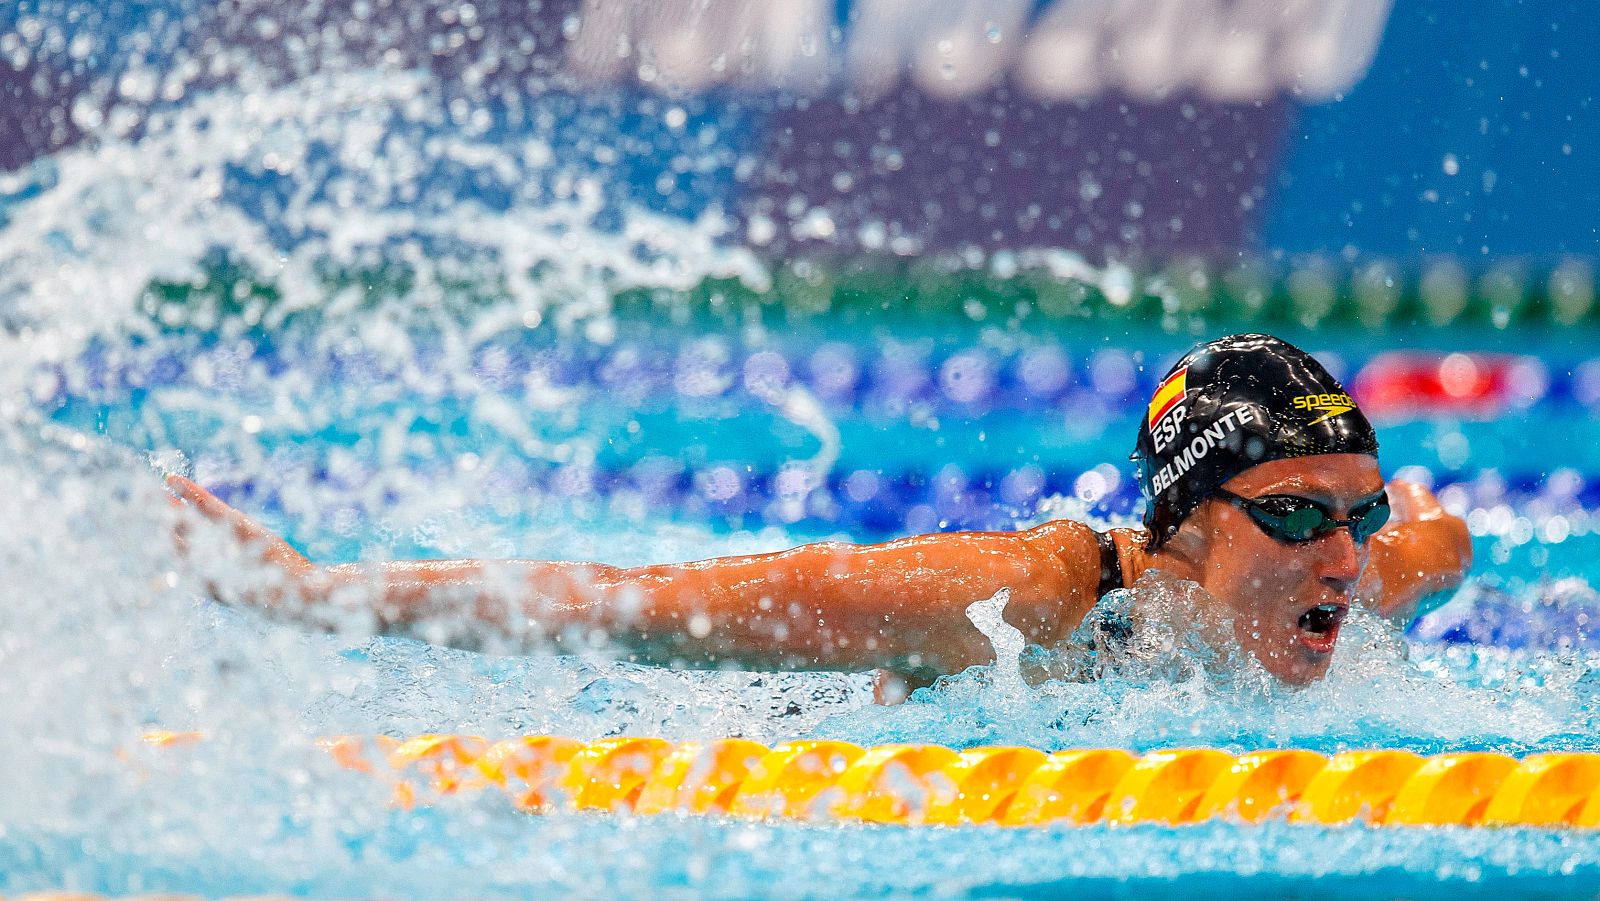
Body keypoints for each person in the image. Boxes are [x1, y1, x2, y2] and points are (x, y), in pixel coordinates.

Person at [168, 334, 1472, 696]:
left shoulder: (1342, 584)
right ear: (1187, 519)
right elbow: (653, 611)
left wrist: (1411, 518)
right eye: (1299, 516)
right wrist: (313, 585)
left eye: (1354, 515)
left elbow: (1435, 540)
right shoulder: (1020, 598)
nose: (1345, 560)